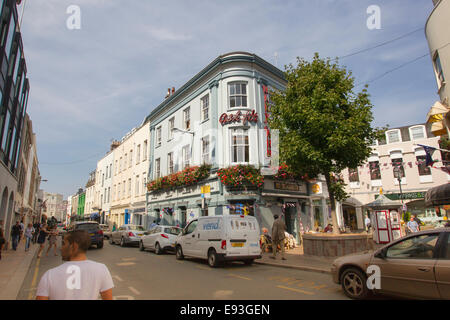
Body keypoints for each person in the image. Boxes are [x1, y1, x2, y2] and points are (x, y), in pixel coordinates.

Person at [36, 230, 114, 300]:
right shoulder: (101, 269)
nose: (61, 248)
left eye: (64, 244)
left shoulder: (49, 275)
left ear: (74, 246)